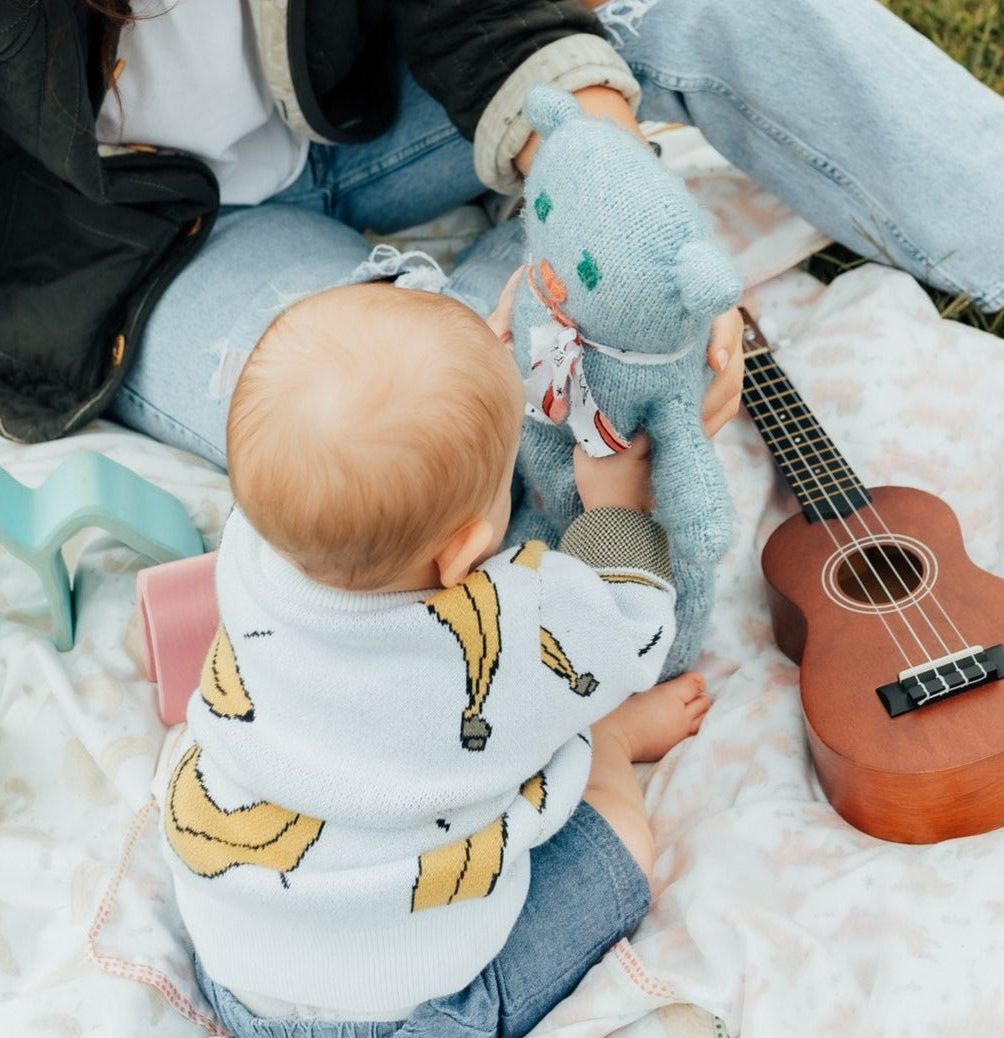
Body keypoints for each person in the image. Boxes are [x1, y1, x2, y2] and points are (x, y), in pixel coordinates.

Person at [0, 0, 1004, 468]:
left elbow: (493, 13)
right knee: (423, 443)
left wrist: (610, 184)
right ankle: (513, 312)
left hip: (349, 124)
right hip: (132, 254)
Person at [162, 280, 712, 1037]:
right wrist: (617, 505)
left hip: (237, 973)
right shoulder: (509, 620)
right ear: (464, 553)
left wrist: (470, 365)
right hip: (431, 1010)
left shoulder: (254, 551)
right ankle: (611, 746)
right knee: (620, 848)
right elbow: (633, 628)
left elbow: (362, 428)